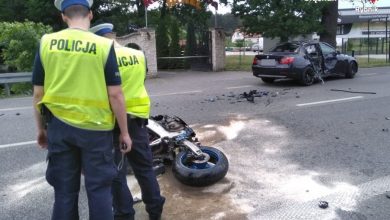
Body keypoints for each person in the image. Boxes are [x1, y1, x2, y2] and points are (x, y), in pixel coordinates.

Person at [32, 1, 132, 220]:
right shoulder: (104, 46)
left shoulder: (47, 43)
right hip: (97, 130)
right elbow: (116, 95)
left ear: (63, 17)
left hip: (59, 128)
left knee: (64, 192)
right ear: (90, 14)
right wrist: (124, 133)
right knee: (99, 191)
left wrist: (41, 130)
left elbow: (38, 94)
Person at [90, 23, 165, 220]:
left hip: (113, 123)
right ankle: (155, 210)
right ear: (113, 36)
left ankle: (124, 214)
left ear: (98, 39)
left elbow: (108, 92)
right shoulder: (138, 55)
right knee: (145, 169)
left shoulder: (100, 59)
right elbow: (141, 81)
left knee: (116, 173)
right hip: (137, 120)